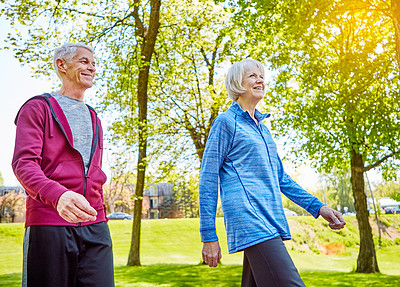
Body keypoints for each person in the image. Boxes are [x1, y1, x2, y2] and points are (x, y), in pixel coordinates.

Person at [199, 58, 346, 287]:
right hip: (251, 219)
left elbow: (281, 179)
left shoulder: (263, 131)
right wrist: (209, 235)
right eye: (252, 76)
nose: (260, 80)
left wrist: (319, 207)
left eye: (262, 76)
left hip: (269, 217)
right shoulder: (226, 123)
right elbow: (207, 179)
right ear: (238, 83)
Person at [12, 43, 114, 287]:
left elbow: (93, 170)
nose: (91, 67)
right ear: (62, 65)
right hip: (49, 223)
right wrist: (58, 196)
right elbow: (24, 164)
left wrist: (99, 209)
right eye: (83, 61)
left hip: (95, 225)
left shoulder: (94, 117)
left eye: (93, 63)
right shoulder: (38, 108)